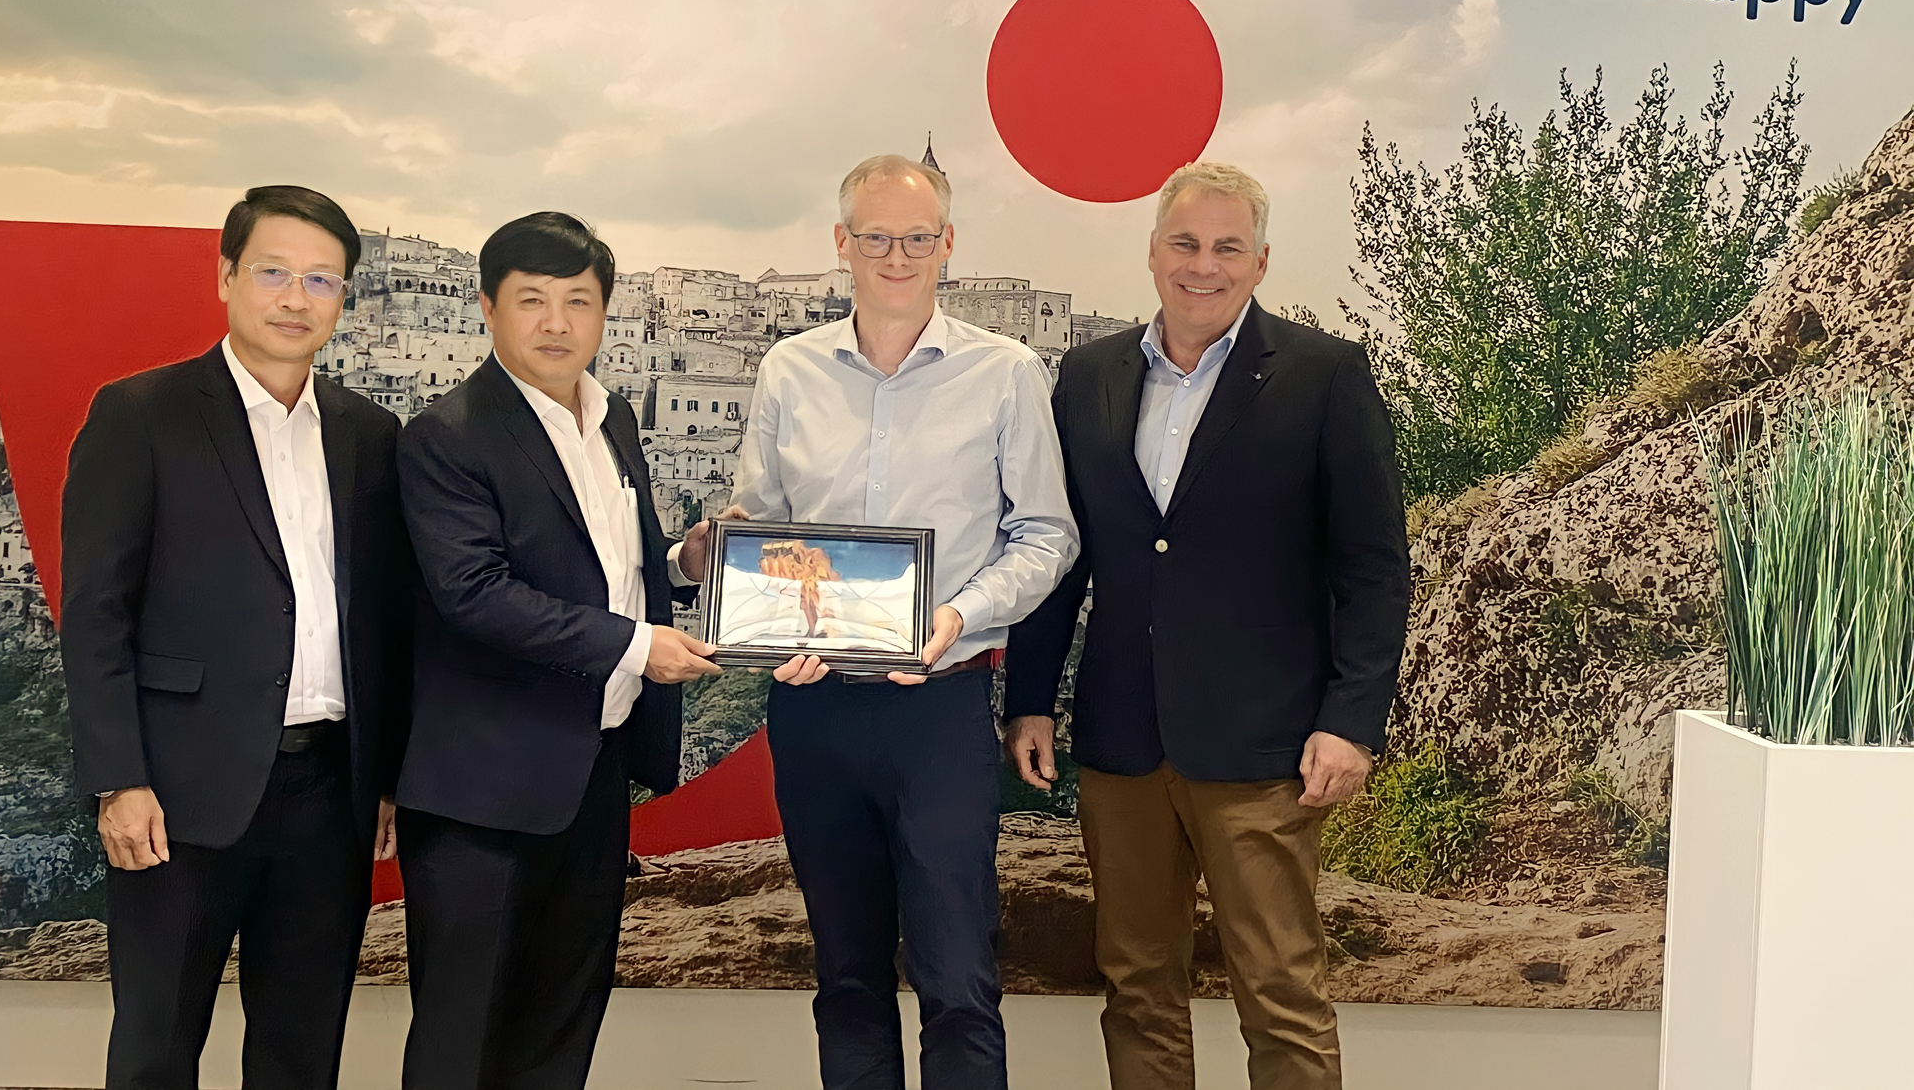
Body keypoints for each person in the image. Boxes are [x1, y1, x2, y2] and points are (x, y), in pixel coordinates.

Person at [1003, 163, 1410, 1090]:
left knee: (1281, 995)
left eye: (1228, 247)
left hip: (1266, 747)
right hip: (1123, 740)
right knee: (1138, 987)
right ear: (1153, 251)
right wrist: (1030, 698)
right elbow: (1062, 552)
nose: (1204, 265)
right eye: (1185, 243)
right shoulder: (1088, 373)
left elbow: (1374, 570)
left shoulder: (1325, 375)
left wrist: (1351, 720)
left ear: (1260, 262)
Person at [677, 154, 1076, 1090]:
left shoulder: (1007, 371)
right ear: (841, 244)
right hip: (814, 712)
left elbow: (1046, 535)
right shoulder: (789, 369)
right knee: (846, 978)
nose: (897, 255)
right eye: (876, 237)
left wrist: (958, 613)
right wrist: (740, 589)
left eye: (917, 237)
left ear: (948, 244)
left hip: (939, 709)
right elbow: (760, 526)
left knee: (960, 981)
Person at [61, 185, 412, 1090]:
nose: (297, 299)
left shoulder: (371, 435)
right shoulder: (142, 413)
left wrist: (384, 776)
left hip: (331, 792)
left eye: (323, 280)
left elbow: (383, 616)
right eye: (275, 273)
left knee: (302, 1048)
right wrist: (119, 778)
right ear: (226, 277)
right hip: (179, 790)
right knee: (156, 1043)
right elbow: (97, 611)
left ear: (344, 299)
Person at [393, 211, 720, 1090]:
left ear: (605, 314)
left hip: (592, 775)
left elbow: (617, 565)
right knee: (463, 1041)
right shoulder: (447, 436)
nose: (556, 322)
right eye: (531, 300)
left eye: (578, 301)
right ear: (490, 311)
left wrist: (688, 566)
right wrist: (636, 645)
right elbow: (475, 594)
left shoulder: (612, 422)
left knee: (562, 1028)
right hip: (482, 792)